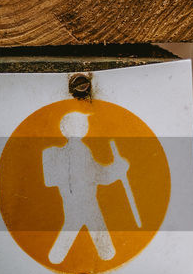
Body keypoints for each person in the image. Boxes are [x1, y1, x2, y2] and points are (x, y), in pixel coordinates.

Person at [42, 111, 131, 264]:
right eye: (82, 124)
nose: (85, 127)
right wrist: (118, 169)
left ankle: (57, 258)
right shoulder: (80, 150)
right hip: (84, 202)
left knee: (79, 225)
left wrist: (117, 169)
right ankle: (58, 258)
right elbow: (99, 175)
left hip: (72, 201)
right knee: (87, 225)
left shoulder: (71, 152)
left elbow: (95, 173)